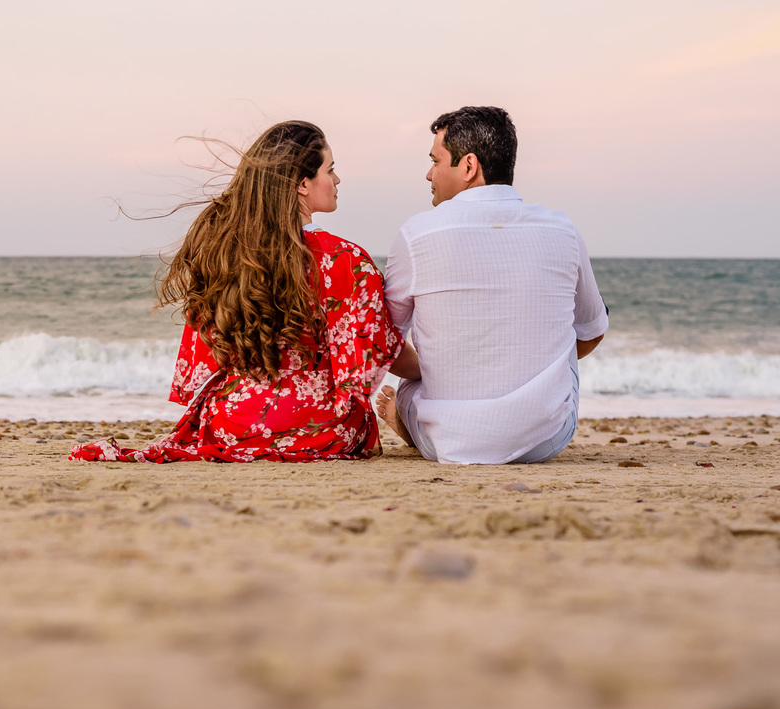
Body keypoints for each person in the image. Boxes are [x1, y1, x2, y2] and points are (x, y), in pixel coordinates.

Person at [70, 120, 419, 463]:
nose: (338, 180)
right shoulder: (344, 259)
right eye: (330, 170)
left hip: (232, 423)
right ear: (302, 184)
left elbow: (209, 349)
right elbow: (374, 350)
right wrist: (433, 372)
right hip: (320, 428)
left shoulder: (225, 253)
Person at [377, 106, 608, 465]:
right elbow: (593, 333)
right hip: (545, 439)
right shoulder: (562, 228)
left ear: (469, 167)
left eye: (436, 161)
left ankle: (411, 418)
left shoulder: (417, 233)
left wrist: (444, 365)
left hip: (446, 440)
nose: (428, 174)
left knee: (412, 385)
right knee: (580, 326)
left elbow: (384, 342)